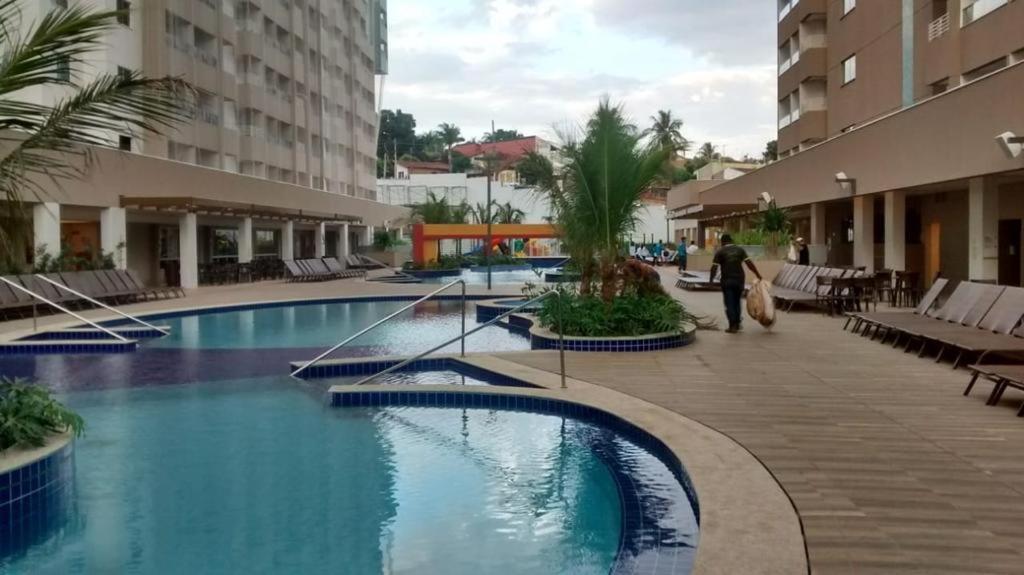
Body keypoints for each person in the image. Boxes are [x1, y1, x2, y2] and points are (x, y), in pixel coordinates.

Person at [709, 234, 763, 333]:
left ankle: (732, 325)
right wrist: (757, 274)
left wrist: (711, 281)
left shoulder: (720, 252)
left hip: (727, 280)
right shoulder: (740, 250)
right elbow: (749, 263)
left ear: (722, 242)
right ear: (731, 240)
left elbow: (714, 268)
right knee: (737, 301)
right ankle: (737, 324)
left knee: (729, 303)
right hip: (739, 280)